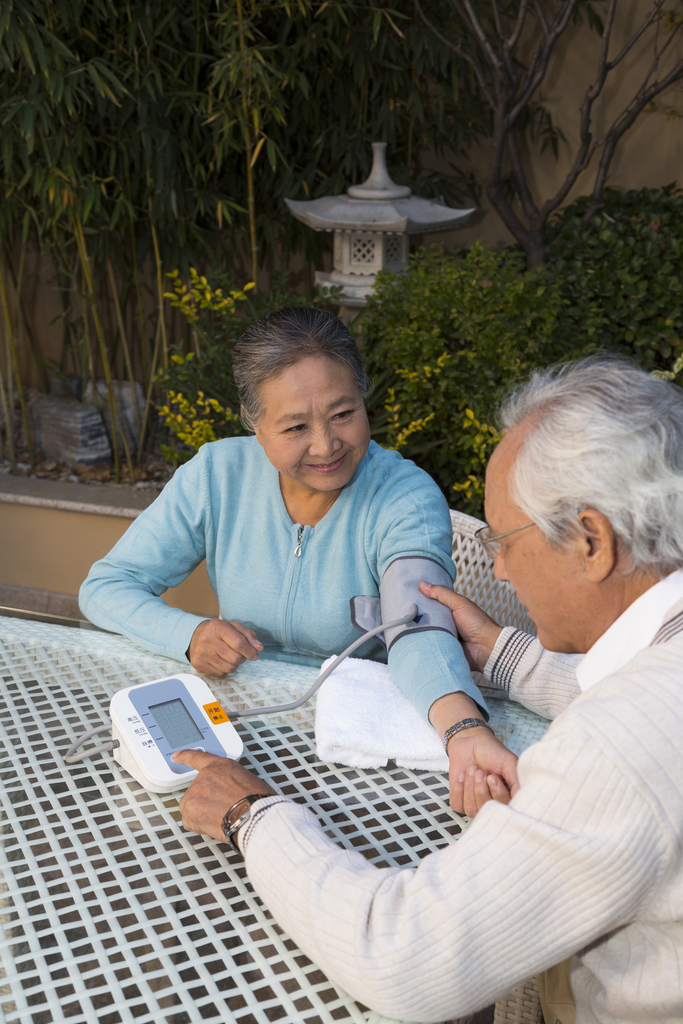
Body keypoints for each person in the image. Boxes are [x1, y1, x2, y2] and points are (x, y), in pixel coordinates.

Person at [173, 357, 683, 1024]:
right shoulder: (652, 685)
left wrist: (256, 815)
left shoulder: (617, 744)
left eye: (504, 539)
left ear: (590, 540)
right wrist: (505, 657)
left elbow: (402, 959)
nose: (496, 567)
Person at [79, 306, 517, 807]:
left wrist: (464, 730)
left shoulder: (405, 497)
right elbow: (106, 587)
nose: (326, 444)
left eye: (343, 414)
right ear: (255, 426)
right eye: (294, 428)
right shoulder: (217, 475)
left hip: (358, 754)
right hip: (237, 728)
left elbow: (417, 626)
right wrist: (190, 634)